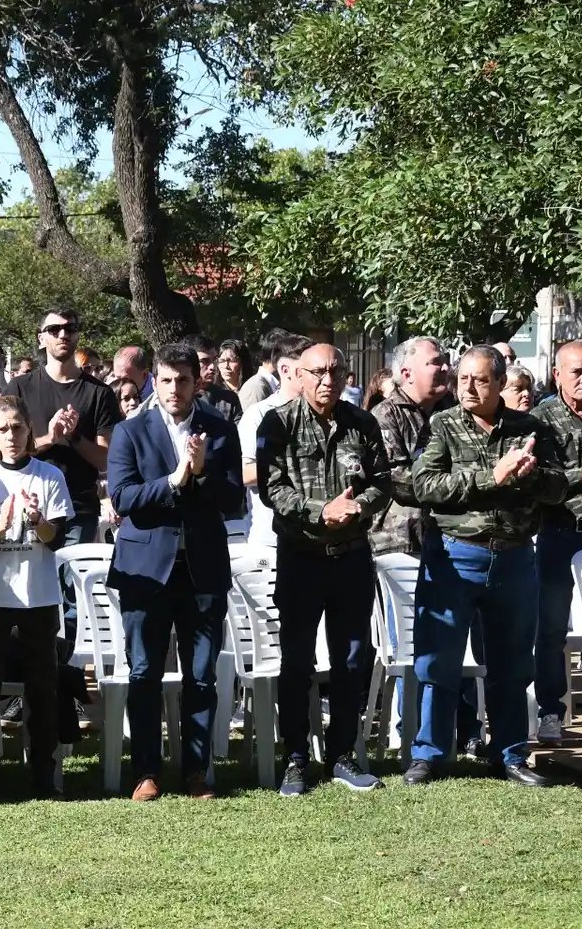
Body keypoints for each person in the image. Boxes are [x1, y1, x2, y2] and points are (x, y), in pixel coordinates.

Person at [405, 344, 566, 788]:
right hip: (457, 555)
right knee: (438, 661)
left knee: (512, 664)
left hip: (514, 557)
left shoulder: (529, 428)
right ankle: (430, 754)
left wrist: (530, 473)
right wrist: (491, 477)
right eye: (462, 379)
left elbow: (558, 488)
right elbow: (426, 486)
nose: (469, 388)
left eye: (479, 380)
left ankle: (509, 753)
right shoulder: (443, 425)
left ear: (500, 384)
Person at [106, 344, 243, 800]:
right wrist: (173, 481)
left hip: (202, 570)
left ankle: (196, 772)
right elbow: (123, 499)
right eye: (166, 380)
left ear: (196, 382)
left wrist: (201, 472)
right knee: (143, 673)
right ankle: (146, 771)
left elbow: (233, 502)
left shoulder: (220, 431)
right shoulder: (130, 431)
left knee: (201, 676)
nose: (174, 389)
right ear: (154, 381)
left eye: (183, 380)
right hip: (146, 570)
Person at [258, 344, 390, 797]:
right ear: (297, 374)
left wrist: (355, 507)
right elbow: (272, 489)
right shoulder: (277, 423)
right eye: (317, 372)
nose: (326, 380)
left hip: (351, 558)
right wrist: (320, 513)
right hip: (301, 558)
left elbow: (382, 482)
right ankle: (295, 756)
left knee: (352, 659)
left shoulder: (362, 423)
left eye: (335, 371)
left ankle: (342, 754)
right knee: (297, 661)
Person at [0, 395, 72, 798]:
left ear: (29, 430)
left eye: (18, 428)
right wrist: (0, 527)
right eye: (3, 429)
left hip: (37, 597)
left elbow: (56, 539)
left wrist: (37, 521)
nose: (11, 436)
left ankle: (44, 774)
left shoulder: (49, 476)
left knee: (44, 689)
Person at [528, 341, 582, 746]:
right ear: (557, 374)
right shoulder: (539, 419)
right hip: (559, 532)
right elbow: (537, 482)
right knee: (551, 628)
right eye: (576, 371)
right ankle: (550, 711)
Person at [4, 308, 119, 547]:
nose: (63, 335)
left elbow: (105, 460)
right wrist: (50, 438)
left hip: (77, 510)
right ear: (41, 338)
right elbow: (5, 451)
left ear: (78, 336)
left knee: (69, 582)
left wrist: (73, 436)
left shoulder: (99, 393)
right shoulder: (19, 388)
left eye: (71, 329)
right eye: (54, 330)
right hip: (27, 504)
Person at [369, 337, 453, 556]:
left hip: (450, 539)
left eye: (446, 361)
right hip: (400, 542)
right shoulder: (386, 415)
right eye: (435, 362)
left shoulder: (452, 411)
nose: (445, 367)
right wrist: (457, 485)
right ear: (407, 374)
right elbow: (396, 479)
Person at [238, 334, 313, 546]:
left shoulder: (326, 413)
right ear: (285, 370)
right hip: (273, 539)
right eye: (307, 368)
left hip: (319, 536)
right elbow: (247, 474)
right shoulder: (260, 414)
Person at [238, 329, 287, 411]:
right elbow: (256, 422)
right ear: (276, 356)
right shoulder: (256, 387)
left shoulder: (272, 384)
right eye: (289, 355)